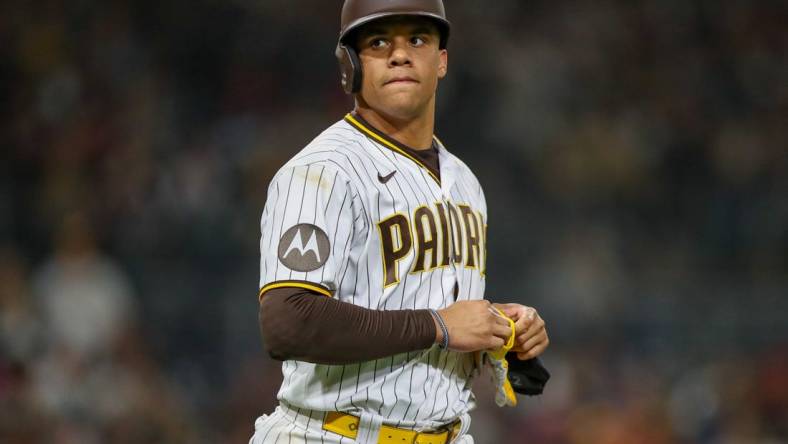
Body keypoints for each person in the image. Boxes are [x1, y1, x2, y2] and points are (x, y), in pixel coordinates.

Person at [251, 1, 549, 443]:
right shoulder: (321, 172)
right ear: (350, 65)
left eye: (417, 39)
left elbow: (431, 310)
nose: (399, 54)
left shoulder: (465, 182)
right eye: (378, 42)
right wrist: (440, 325)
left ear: (442, 60)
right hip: (329, 434)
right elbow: (287, 321)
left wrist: (501, 331)